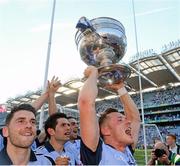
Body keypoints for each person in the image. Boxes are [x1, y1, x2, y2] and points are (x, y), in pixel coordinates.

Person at [78, 66, 141, 165]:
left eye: (125, 119)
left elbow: (135, 119)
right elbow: (85, 103)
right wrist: (93, 74)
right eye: (120, 120)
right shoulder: (98, 153)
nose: (128, 121)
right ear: (105, 130)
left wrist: (121, 88)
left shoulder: (127, 150)